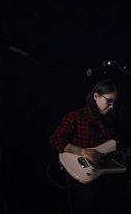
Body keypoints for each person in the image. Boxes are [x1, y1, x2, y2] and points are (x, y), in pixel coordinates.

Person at [49, 79, 130, 214]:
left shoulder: (109, 123)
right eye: (109, 101)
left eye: (114, 102)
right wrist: (83, 151)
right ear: (96, 96)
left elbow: (110, 152)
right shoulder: (76, 117)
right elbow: (55, 139)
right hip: (83, 179)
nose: (112, 106)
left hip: (106, 177)